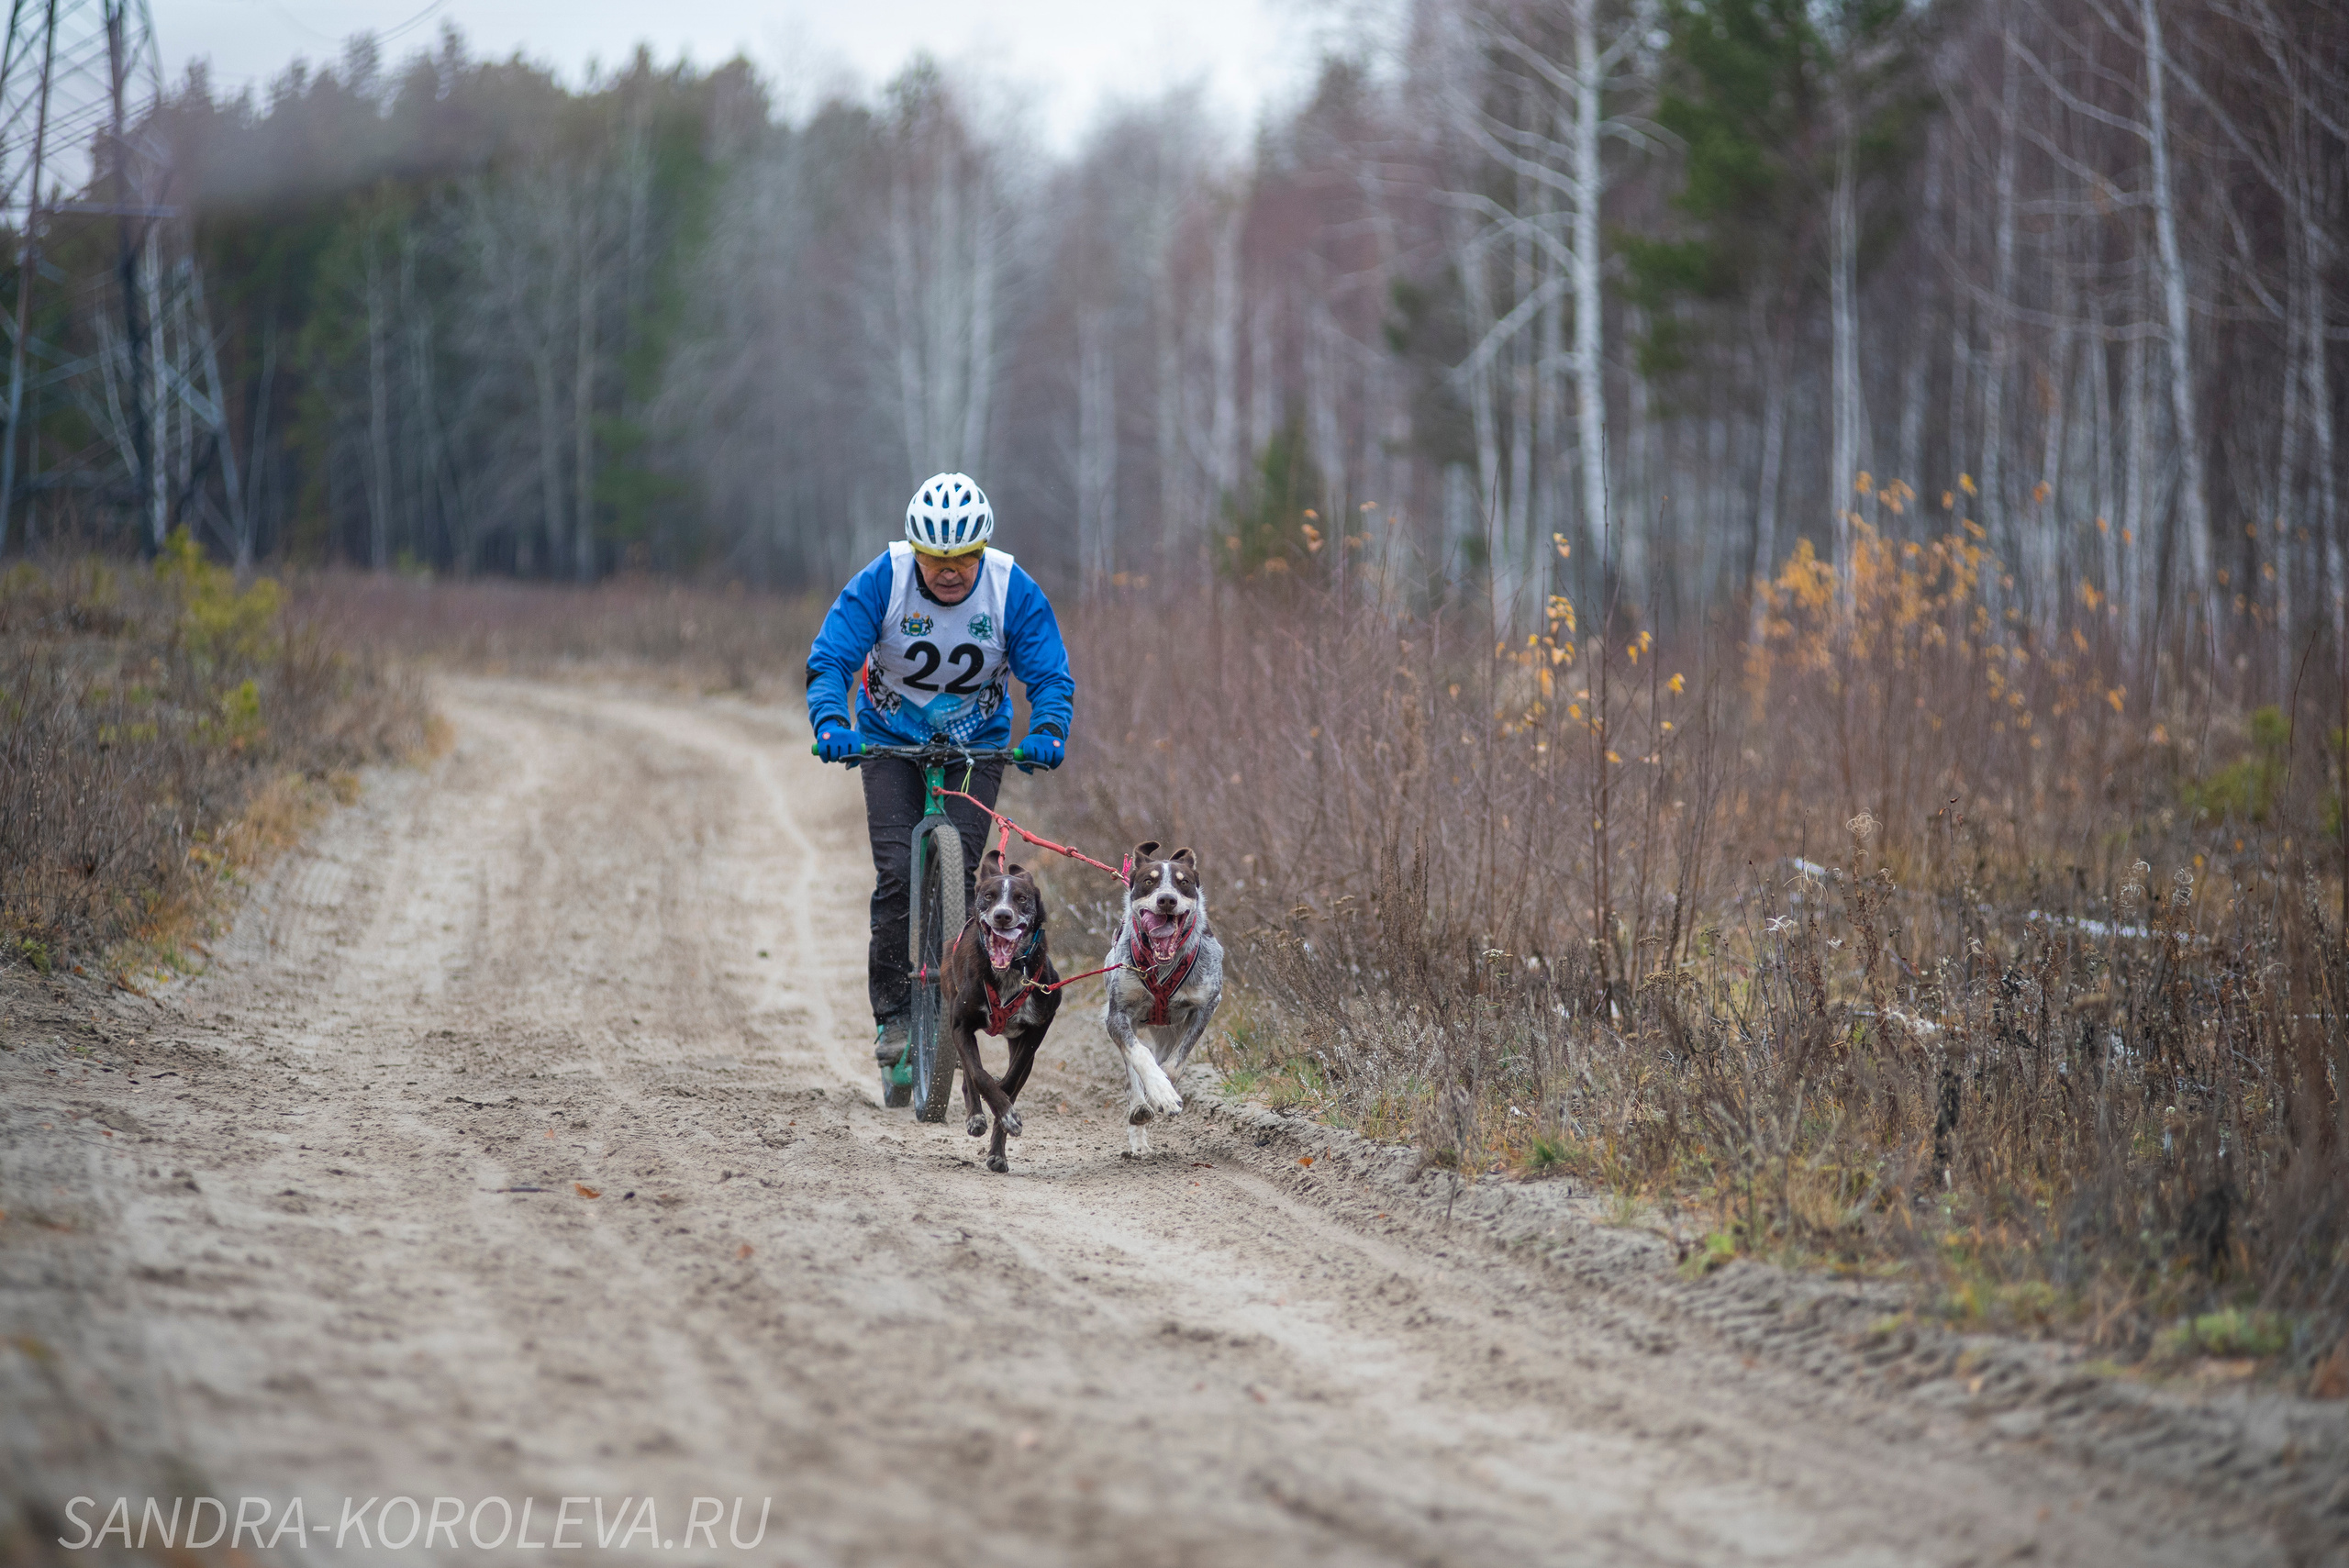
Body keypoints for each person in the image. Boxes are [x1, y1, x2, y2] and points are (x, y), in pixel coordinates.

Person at [804, 472, 1074, 1070]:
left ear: (982, 551)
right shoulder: (884, 579)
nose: (949, 571)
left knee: (967, 888)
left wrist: (1050, 728)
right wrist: (829, 721)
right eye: (935, 559)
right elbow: (830, 660)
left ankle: (963, 1001)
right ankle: (894, 1016)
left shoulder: (1011, 589)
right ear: (916, 552)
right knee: (899, 874)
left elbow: (1050, 673)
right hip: (888, 738)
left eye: (963, 558)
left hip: (975, 741)